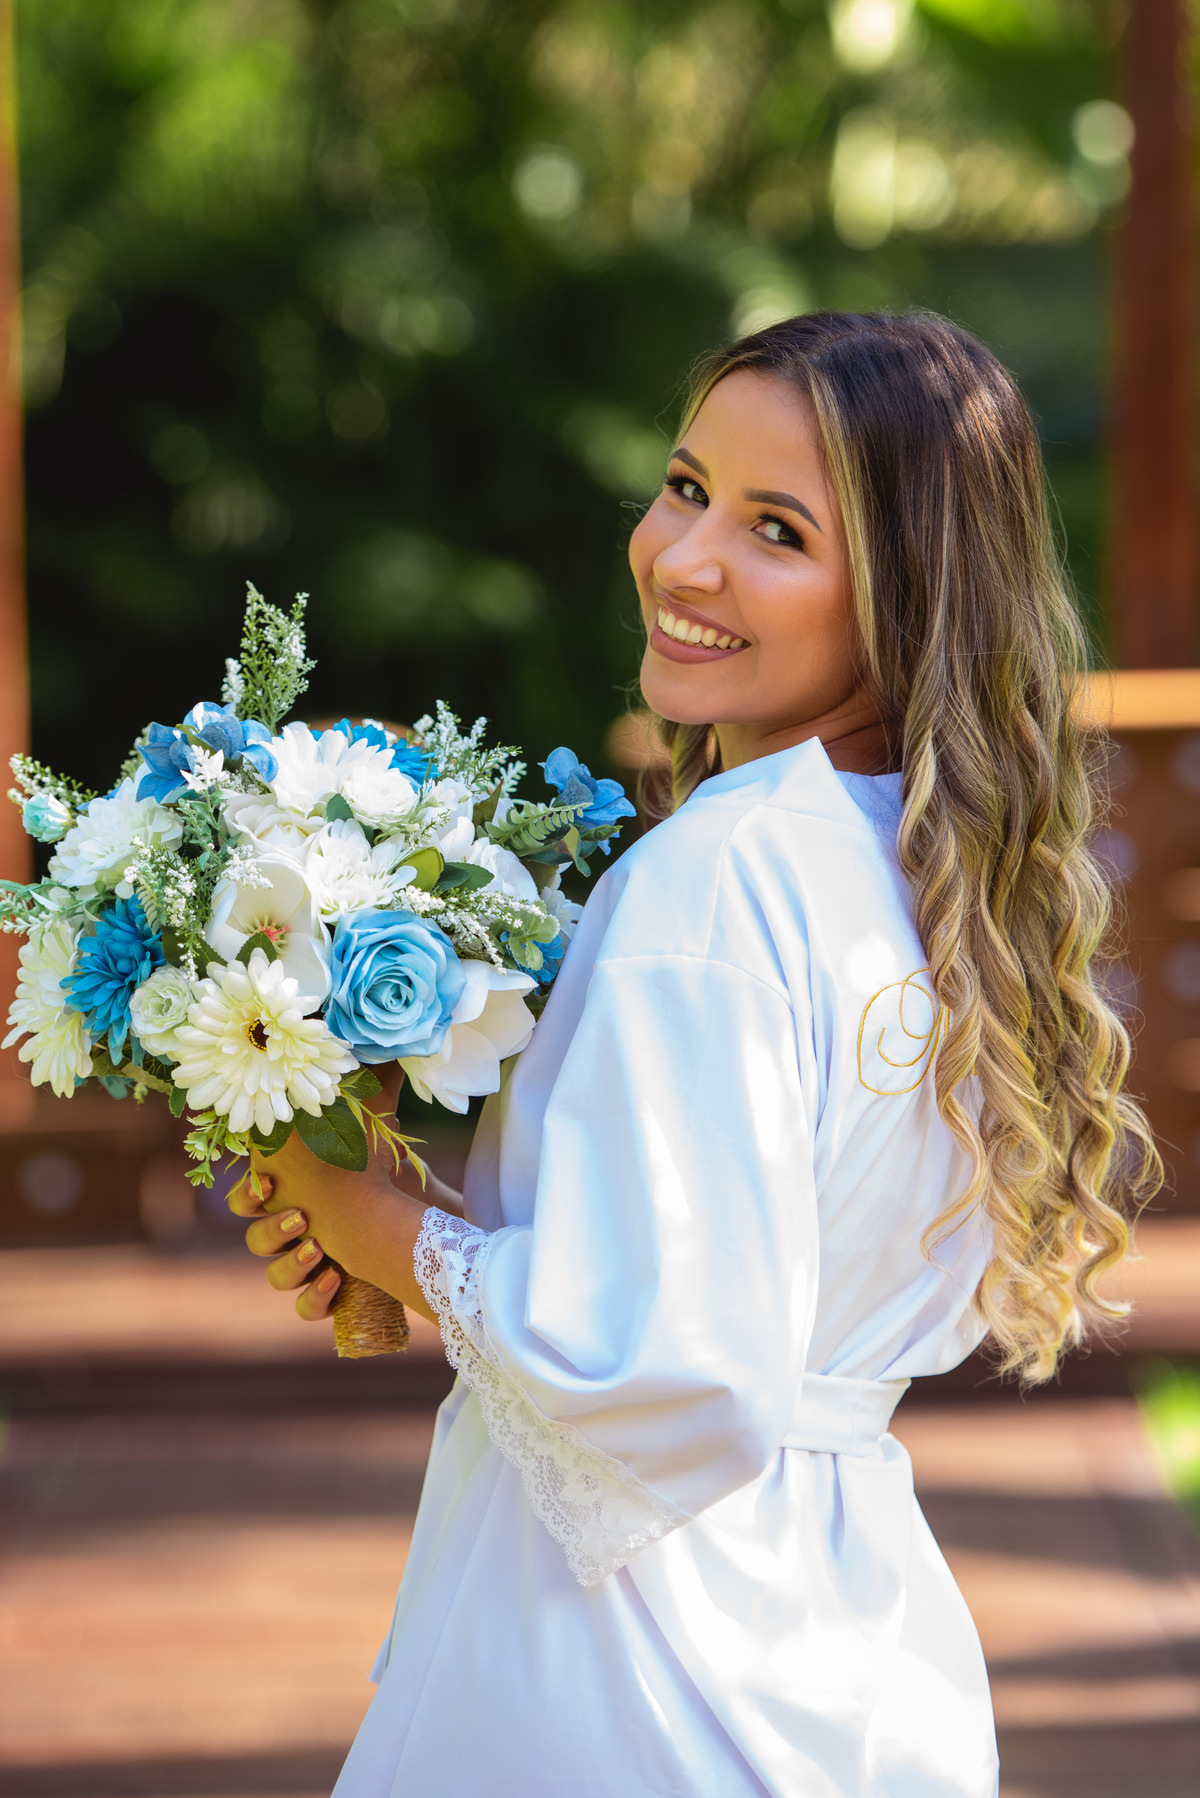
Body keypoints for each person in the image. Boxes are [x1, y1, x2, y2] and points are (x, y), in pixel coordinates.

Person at [231, 312, 1158, 1797]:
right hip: (852, 1641)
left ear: (906, 592)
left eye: (777, 529)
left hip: (641, 1662)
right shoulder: (927, 876)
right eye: (684, 485)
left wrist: (386, 1233)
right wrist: (444, 1228)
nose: (683, 557)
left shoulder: (714, 882)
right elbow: (715, 1289)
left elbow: (667, 1364)